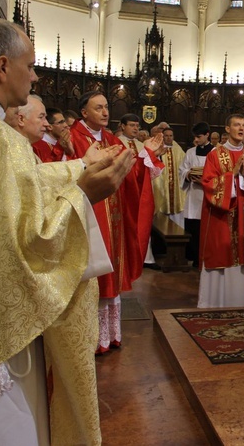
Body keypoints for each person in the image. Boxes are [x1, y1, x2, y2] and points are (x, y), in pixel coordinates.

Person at [0, 18, 133, 445]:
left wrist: (79, 168)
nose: (36, 75)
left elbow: (14, 194)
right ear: (3, 67)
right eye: (31, 65)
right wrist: (83, 196)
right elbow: (21, 245)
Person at [69, 91, 164, 353]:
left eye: (106, 106)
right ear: (84, 113)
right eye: (98, 108)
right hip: (91, 215)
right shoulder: (74, 138)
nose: (104, 112)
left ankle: (108, 336)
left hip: (115, 216)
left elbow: (131, 173)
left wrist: (145, 155)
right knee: (92, 270)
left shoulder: (112, 140)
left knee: (111, 268)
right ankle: (89, 337)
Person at [199, 114, 244, 308]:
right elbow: (208, 184)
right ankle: (214, 303)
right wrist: (231, 177)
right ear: (227, 129)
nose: (241, 129)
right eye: (237, 125)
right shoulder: (214, 155)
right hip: (221, 218)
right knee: (220, 251)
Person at [117, 114, 159, 269]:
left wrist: (155, 156)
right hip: (124, 192)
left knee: (141, 224)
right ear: (122, 126)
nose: (135, 128)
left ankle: (144, 257)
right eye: (132, 125)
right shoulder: (116, 143)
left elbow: (150, 172)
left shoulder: (141, 145)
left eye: (137, 126)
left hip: (141, 193)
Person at [179, 122, 214, 268]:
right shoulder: (190, 152)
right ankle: (193, 257)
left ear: (207, 135)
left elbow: (221, 174)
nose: (196, 140)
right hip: (193, 196)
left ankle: (206, 257)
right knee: (193, 227)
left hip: (209, 196)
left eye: (199, 137)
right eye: (195, 137)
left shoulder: (216, 153)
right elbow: (183, 169)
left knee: (207, 229)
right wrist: (189, 175)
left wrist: (205, 181)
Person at [153, 127, 187, 227]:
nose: (169, 138)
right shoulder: (158, 149)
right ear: (163, 137)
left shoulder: (178, 149)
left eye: (171, 136)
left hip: (176, 187)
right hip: (163, 185)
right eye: (166, 136)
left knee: (177, 219)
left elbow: (184, 166)